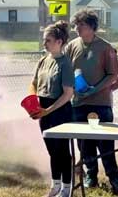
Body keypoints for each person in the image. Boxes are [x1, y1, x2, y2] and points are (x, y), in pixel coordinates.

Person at [63, 9, 118, 194]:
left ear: (92, 27)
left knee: (105, 142)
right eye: (76, 25)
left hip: (101, 102)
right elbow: (66, 70)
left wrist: (96, 88)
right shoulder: (72, 46)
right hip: (78, 103)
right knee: (84, 143)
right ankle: (90, 174)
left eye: (81, 25)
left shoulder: (106, 48)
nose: (77, 28)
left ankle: (114, 178)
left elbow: (113, 74)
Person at [29, 21, 74, 197]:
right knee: (51, 150)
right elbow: (33, 83)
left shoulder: (65, 63)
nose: (44, 44)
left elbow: (68, 94)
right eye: (43, 40)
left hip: (60, 111)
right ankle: (55, 186)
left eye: (48, 40)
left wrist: (48, 110)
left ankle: (66, 188)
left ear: (59, 42)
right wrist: (33, 102)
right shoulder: (43, 60)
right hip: (43, 110)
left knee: (62, 151)